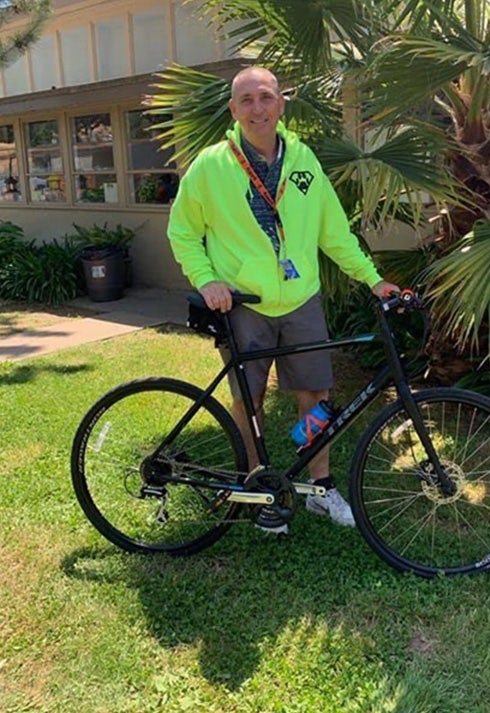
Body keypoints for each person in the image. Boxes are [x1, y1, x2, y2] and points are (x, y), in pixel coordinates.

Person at [168, 66, 398, 533]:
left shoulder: (304, 161)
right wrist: (207, 279)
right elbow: (183, 232)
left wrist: (374, 280)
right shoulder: (211, 165)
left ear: (281, 104)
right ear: (233, 110)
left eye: (266, 97)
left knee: (315, 396)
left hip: (300, 300)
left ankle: (318, 485)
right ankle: (257, 488)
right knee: (247, 400)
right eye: (247, 100)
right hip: (242, 304)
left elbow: (335, 234)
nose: (258, 108)